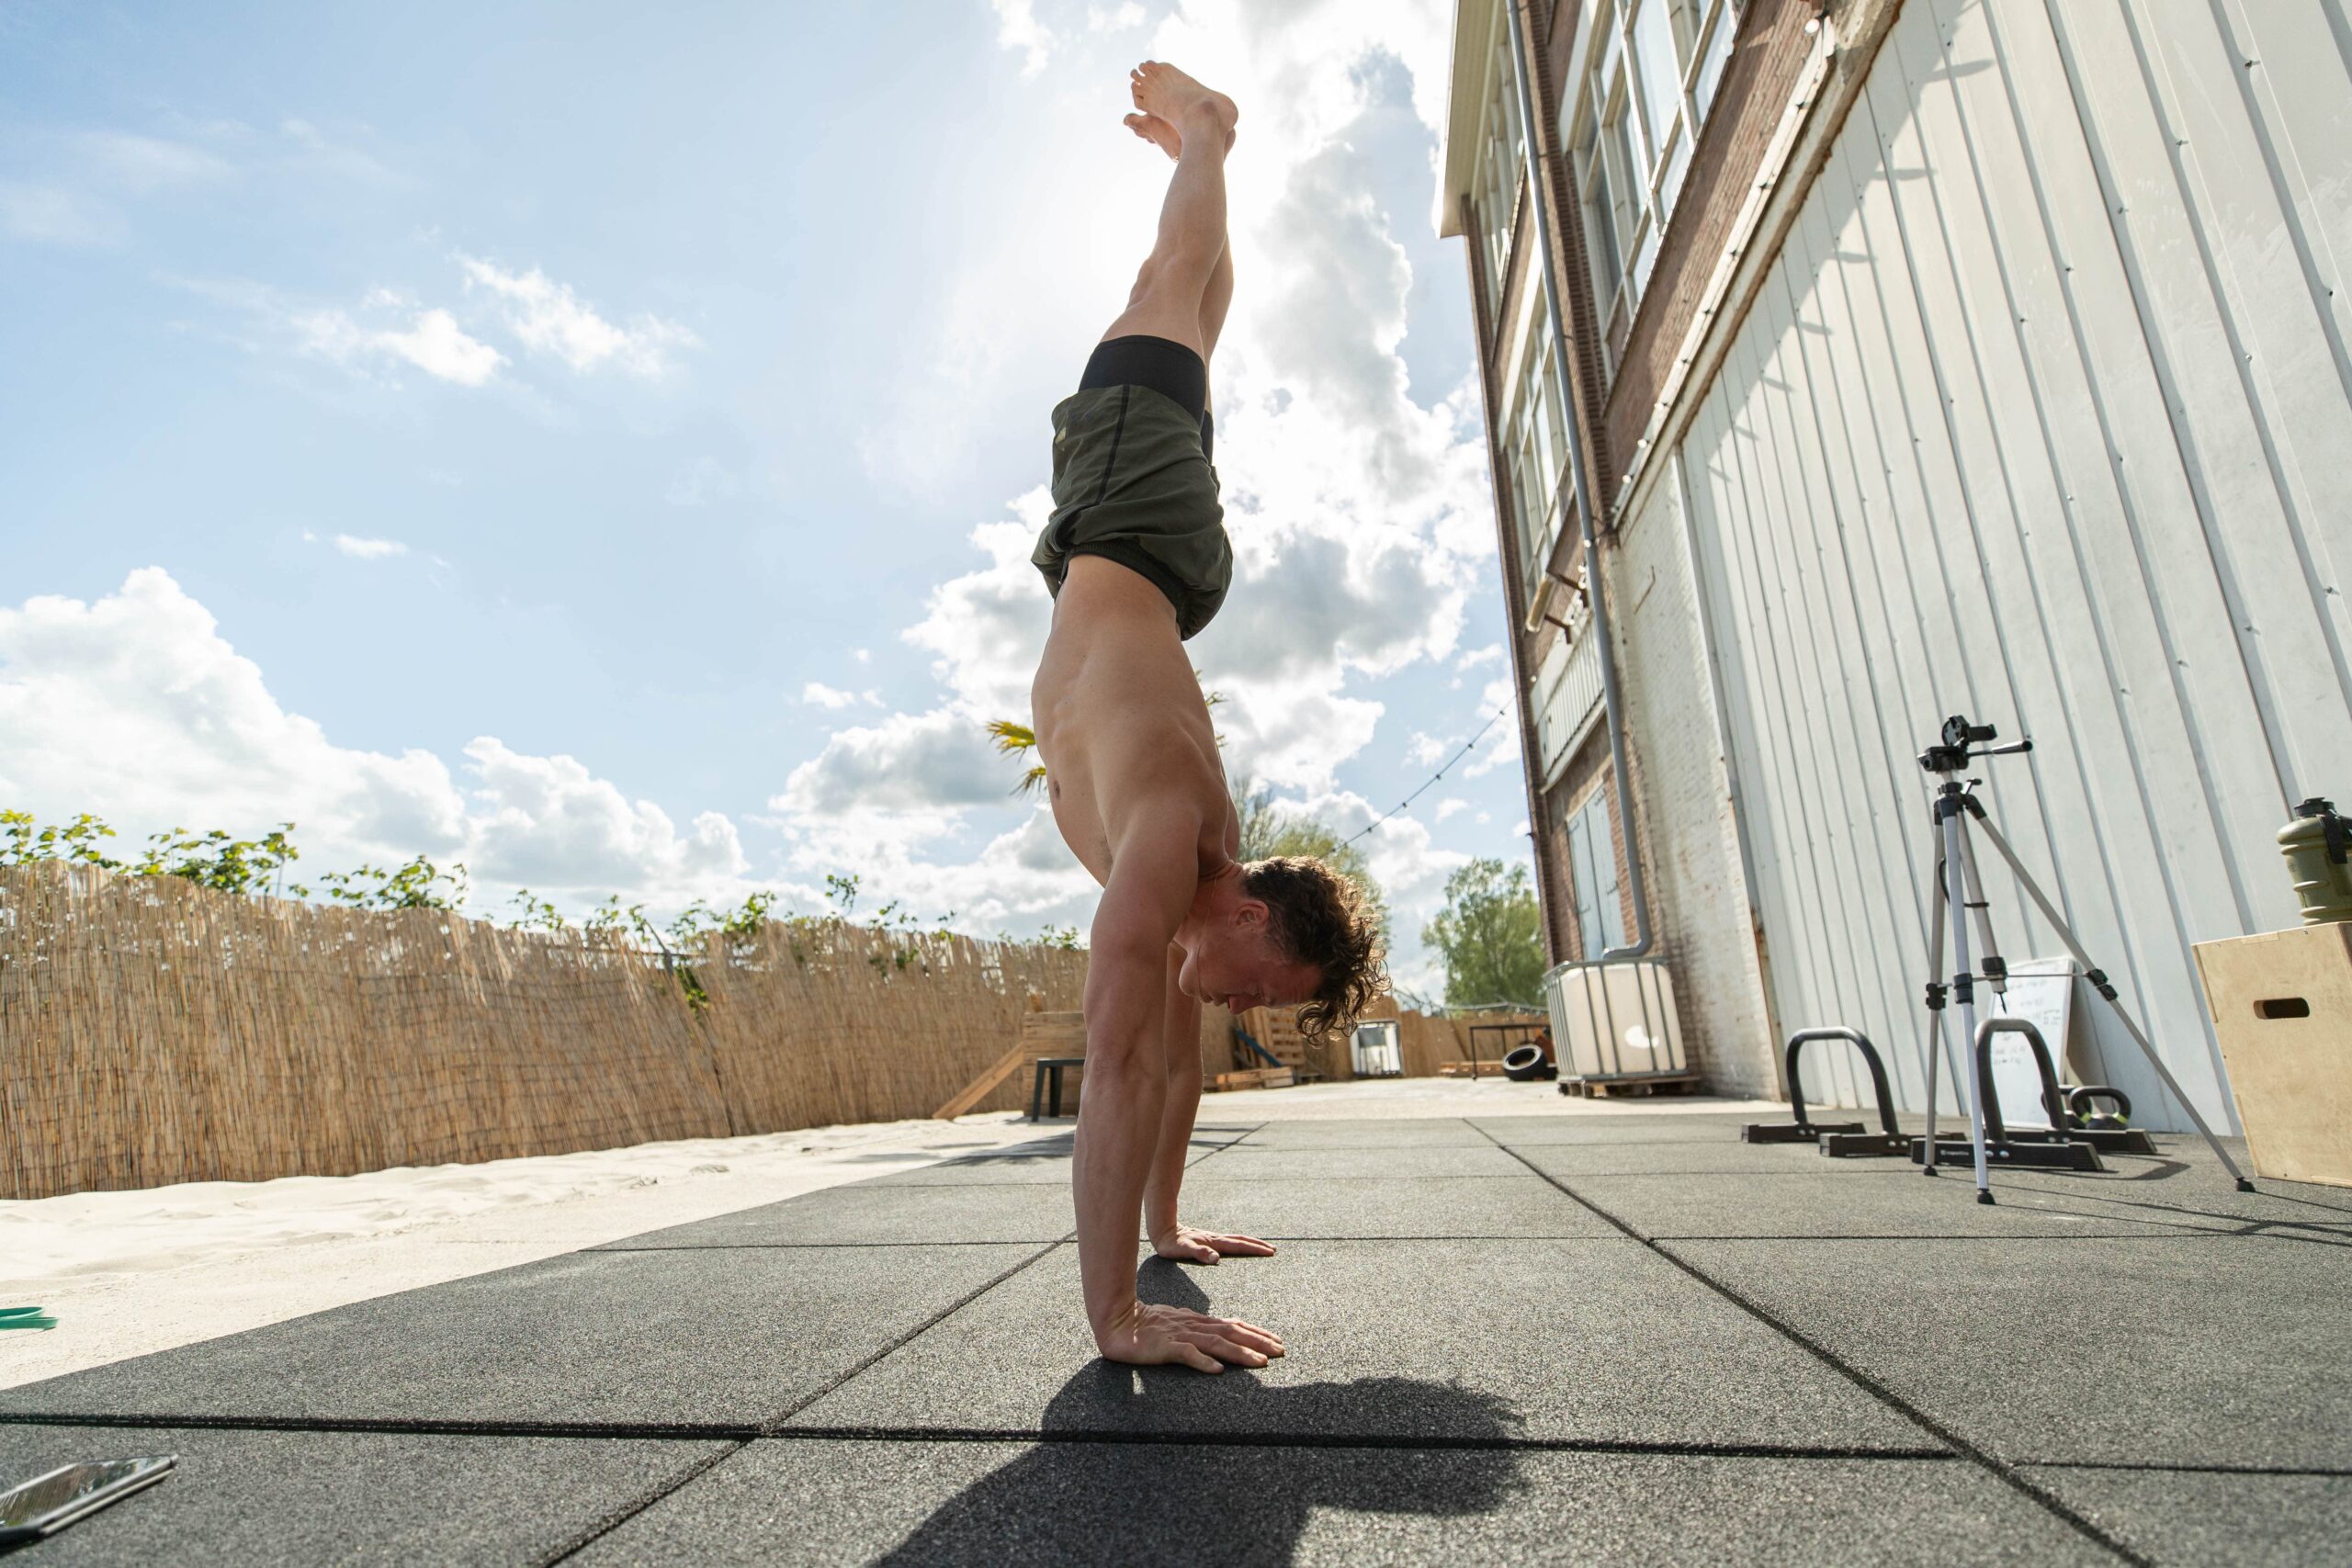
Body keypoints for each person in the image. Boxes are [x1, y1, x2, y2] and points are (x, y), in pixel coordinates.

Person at [1028, 62, 1386, 1374]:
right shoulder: (1173, 846)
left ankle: (1208, 151)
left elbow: (1170, 1069)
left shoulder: (1184, 889)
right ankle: (1211, 134)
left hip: (1152, 560)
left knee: (1190, 331)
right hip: (1130, 523)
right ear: (1247, 913)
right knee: (1163, 297)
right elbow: (1118, 1070)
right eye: (1266, 986)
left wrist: (1167, 1226)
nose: (1249, 1007)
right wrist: (1115, 1315)